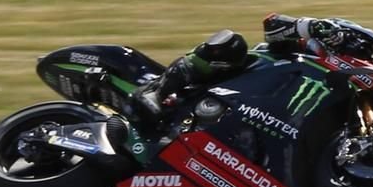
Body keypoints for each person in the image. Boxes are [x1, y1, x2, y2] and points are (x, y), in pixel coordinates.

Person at [131, 13, 347, 124]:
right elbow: (271, 24)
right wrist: (311, 26)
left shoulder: (333, 67)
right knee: (231, 43)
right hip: (251, 71)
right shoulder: (308, 43)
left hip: (268, 101)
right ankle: (156, 91)